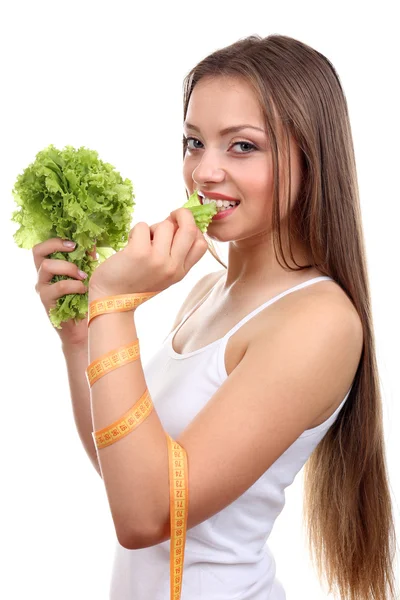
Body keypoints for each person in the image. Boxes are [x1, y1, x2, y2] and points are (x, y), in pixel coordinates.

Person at [32, 34, 397, 600]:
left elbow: (148, 517)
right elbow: (124, 477)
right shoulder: (204, 291)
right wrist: (80, 338)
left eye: (243, 146)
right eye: (193, 142)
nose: (204, 171)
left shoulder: (318, 321)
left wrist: (114, 309)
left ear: (311, 156)